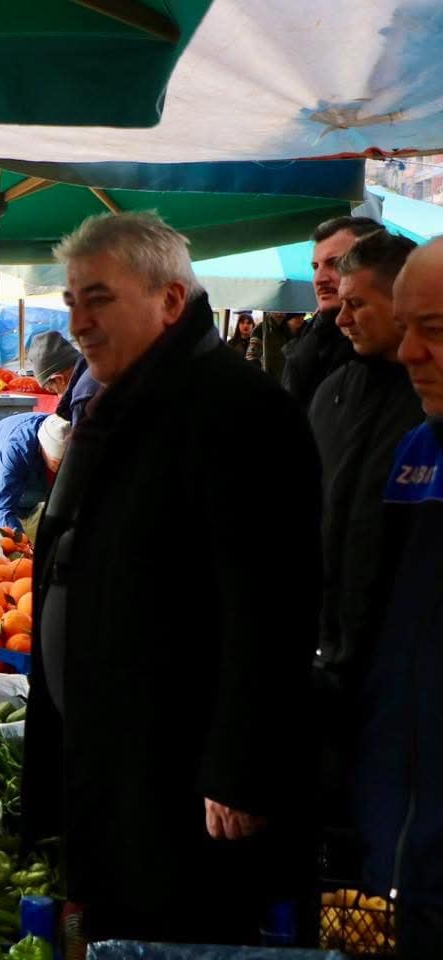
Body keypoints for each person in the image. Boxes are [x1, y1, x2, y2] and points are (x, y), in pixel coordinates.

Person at [23, 212, 320, 945]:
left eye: (99, 299)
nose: (79, 323)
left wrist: (239, 769)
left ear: (171, 300)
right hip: (113, 760)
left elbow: (273, 607)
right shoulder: (118, 401)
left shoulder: (240, 410)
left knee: (178, 933)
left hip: (180, 781)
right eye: (71, 301)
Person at [354, 238, 443, 960]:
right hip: (400, 849)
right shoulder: (417, 452)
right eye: (407, 327)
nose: (409, 352)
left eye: (434, 330)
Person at [309, 229, 421, 700]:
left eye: (357, 305)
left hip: (405, 666)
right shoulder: (331, 392)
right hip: (326, 656)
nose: (341, 319)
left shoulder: (430, 398)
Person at [283, 216, 384, 407]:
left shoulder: (393, 350)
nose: (319, 278)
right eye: (315, 267)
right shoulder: (309, 341)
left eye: (335, 263)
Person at [0, 412, 70, 534]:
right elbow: (3, 509)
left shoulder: (78, 444)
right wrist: (19, 540)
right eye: (56, 462)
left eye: (66, 464)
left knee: (32, 540)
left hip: (28, 499)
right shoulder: (18, 447)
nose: (60, 469)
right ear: (43, 449)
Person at [247, 311, 305, 378]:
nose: (279, 313)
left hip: (285, 379)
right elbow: (251, 357)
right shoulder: (261, 329)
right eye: (275, 310)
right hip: (268, 379)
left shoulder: (287, 329)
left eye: (282, 310)